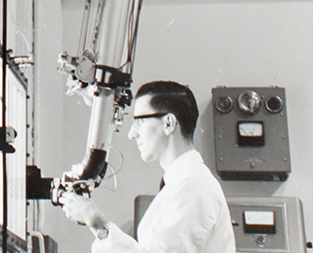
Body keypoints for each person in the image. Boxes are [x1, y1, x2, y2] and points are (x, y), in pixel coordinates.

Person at [58, 81, 235, 253]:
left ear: (168, 124)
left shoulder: (193, 187)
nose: (131, 134)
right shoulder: (182, 184)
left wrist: (94, 219)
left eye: (139, 121)